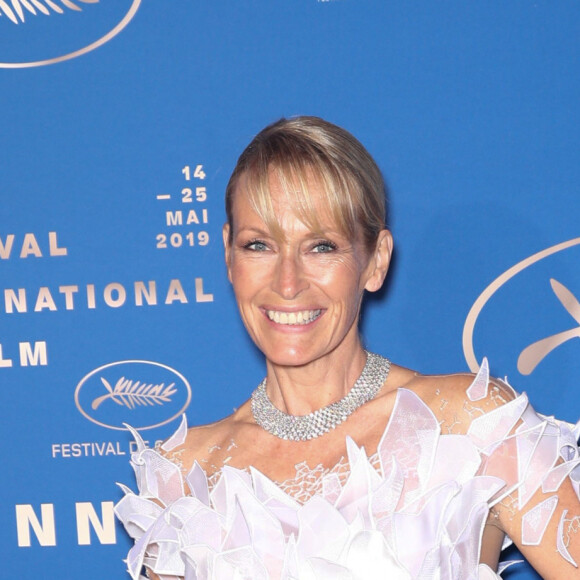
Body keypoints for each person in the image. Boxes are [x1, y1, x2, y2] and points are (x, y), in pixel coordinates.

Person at [116, 116, 580, 580]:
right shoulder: (181, 478)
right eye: (259, 245)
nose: (288, 283)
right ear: (228, 256)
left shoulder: (473, 425)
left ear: (375, 262)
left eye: (321, 247)